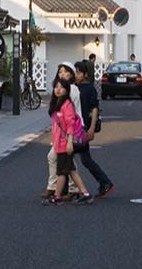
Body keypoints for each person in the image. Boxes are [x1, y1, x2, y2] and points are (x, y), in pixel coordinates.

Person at [44, 80, 94, 205]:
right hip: (59, 143)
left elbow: (70, 125)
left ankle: (57, 196)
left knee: (61, 172)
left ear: (67, 90)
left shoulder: (67, 105)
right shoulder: (57, 104)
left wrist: (70, 142)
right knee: (71, 170)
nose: (58, 89)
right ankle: (85, 193)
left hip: (65, 144)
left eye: (62, 87)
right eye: (56, 87)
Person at [73, 59, 114, 199]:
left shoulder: (88, 88)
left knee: (78, 159)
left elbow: (94, 109)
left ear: (84, 74)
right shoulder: (74, 87)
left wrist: (91, 128)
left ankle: (101, 183)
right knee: (83, 159)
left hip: (83, 127)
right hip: (75, 127)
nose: (76, 75)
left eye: (78, 72)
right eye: (75, 72)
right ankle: (104, 182)